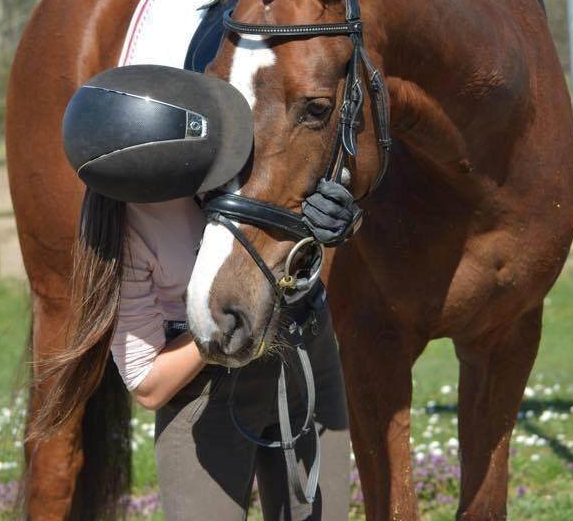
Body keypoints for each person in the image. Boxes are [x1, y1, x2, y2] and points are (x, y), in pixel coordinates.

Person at [32, 178, 361, 520]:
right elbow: (146, 383)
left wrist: (338, 218)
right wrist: (221, 325)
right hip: (206, 391)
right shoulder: (126, 219)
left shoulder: (243, 154)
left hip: (302, 354)